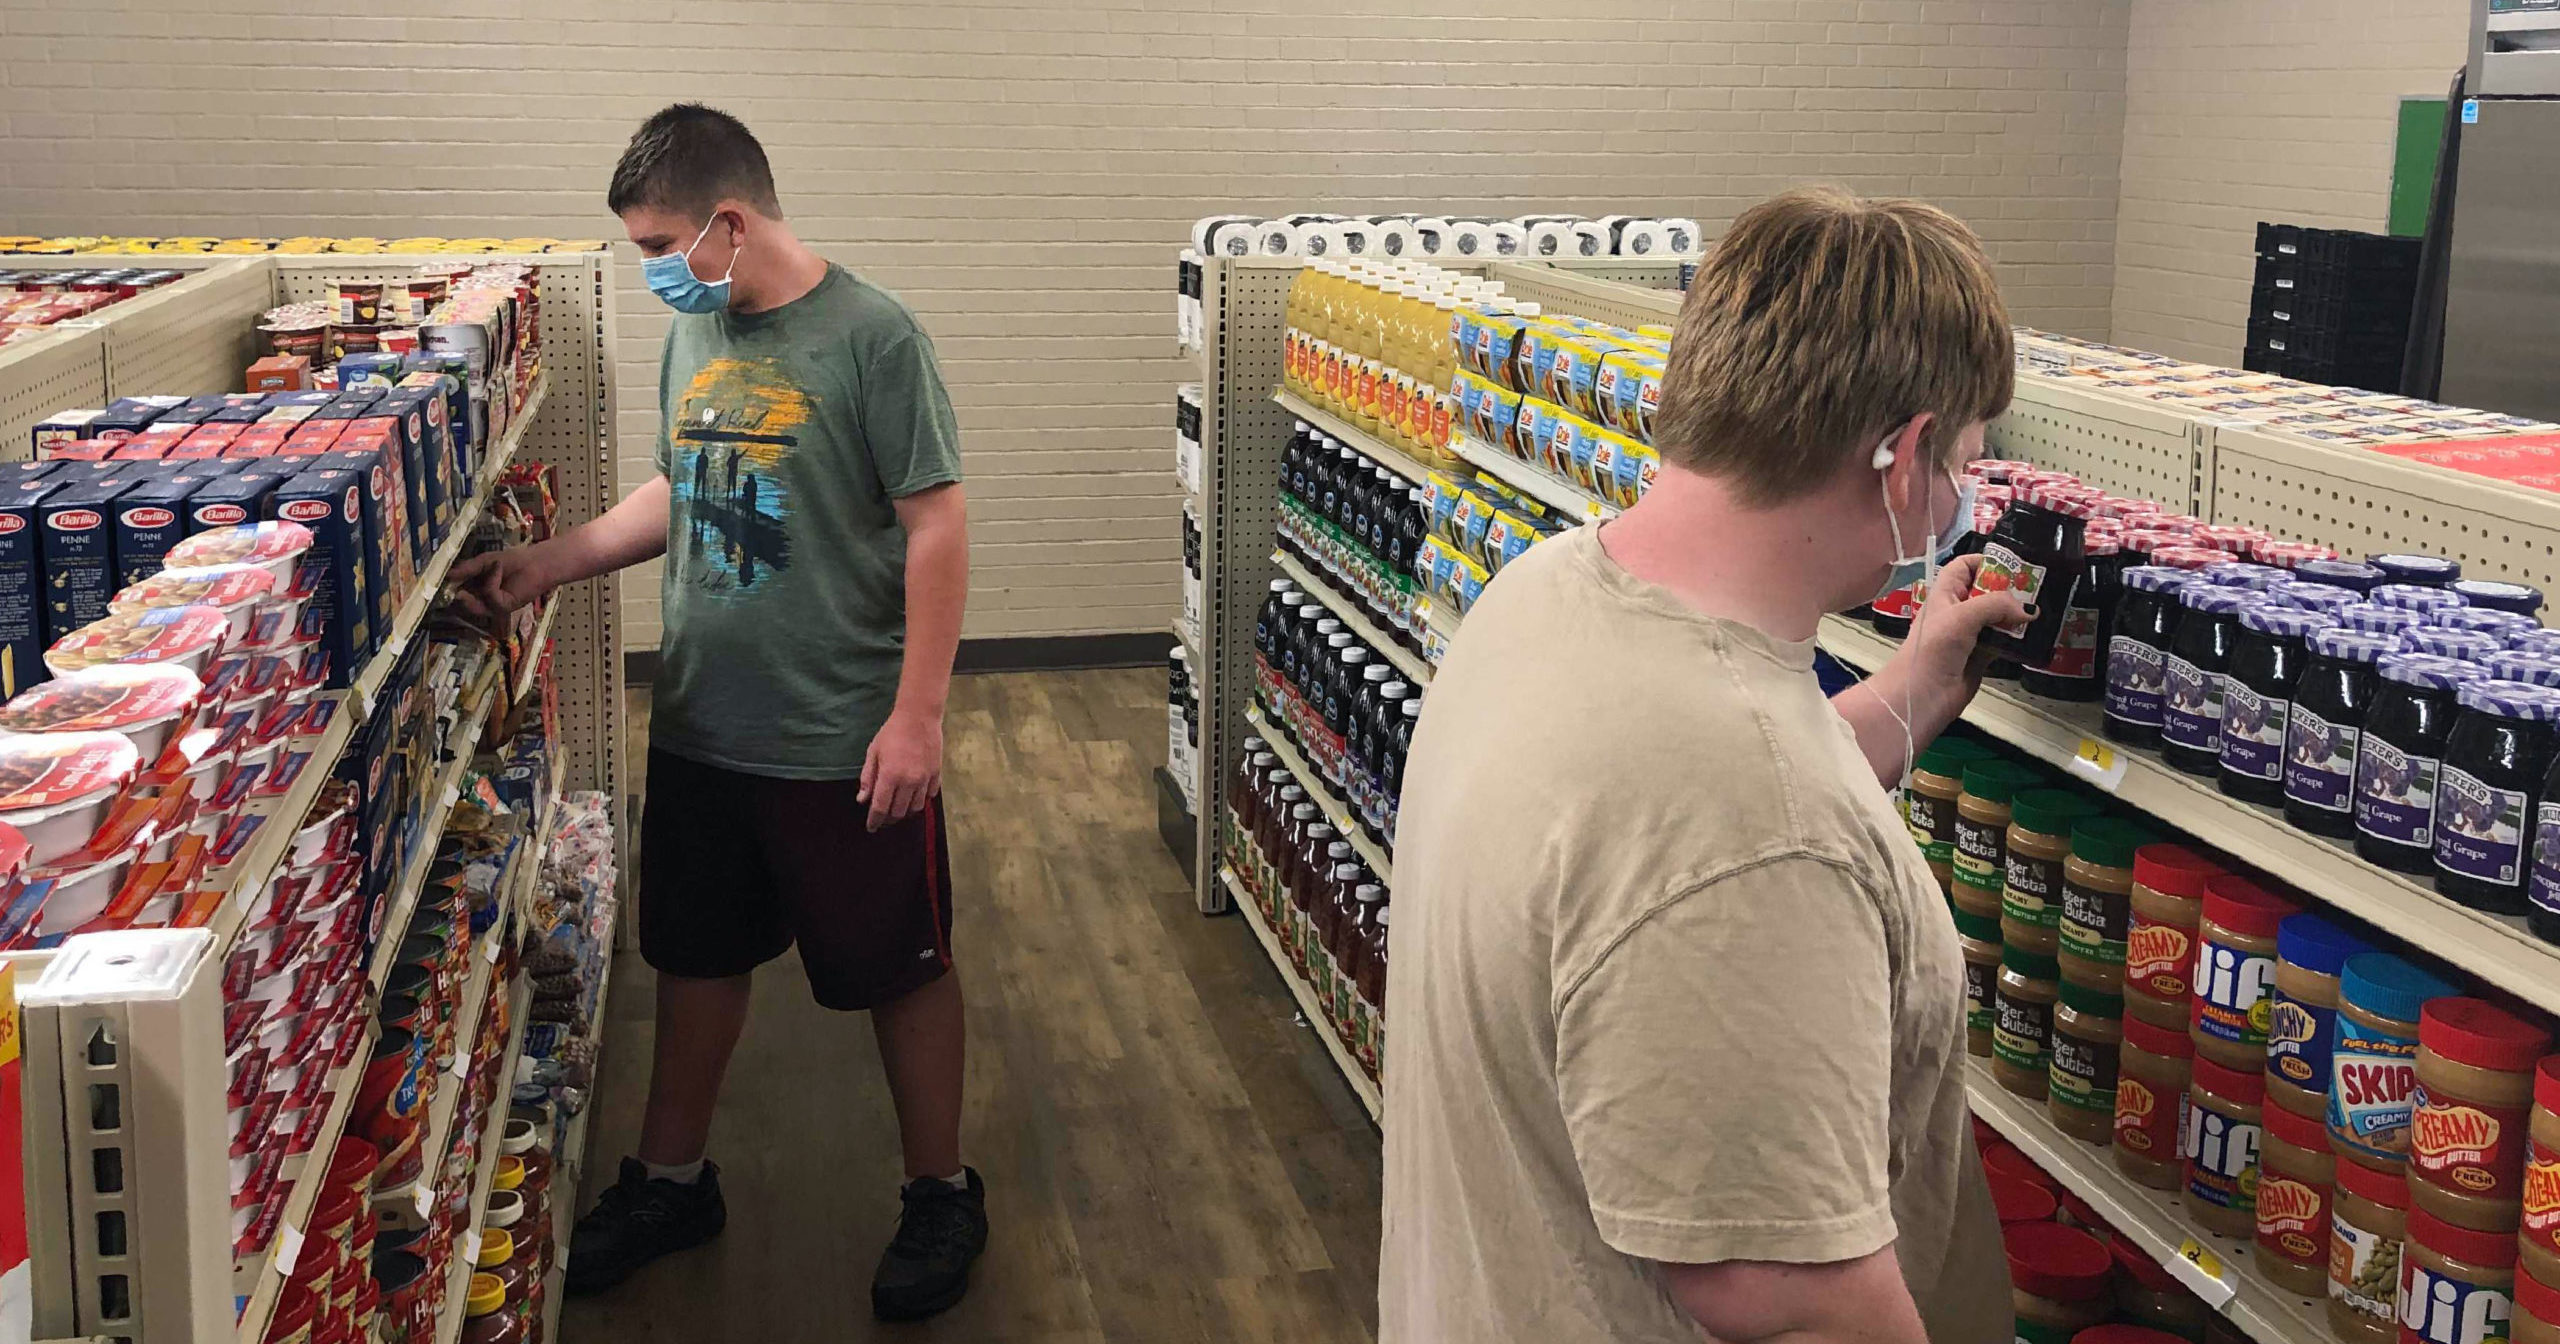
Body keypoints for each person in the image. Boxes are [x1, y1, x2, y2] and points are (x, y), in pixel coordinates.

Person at [1379, 186, 2032, 1343]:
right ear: (1905, 454)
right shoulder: (1741, 818)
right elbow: (1795, 1306)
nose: (1960, 501)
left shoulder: (1553, 589)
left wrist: (1917, 689)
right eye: (1965, 462)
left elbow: (1695, 809)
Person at [450, 103, 984, 1322]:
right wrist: (550, 559)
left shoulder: (873, 336)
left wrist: (919, 716)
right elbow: (681, 483)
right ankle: (672, 1180)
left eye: (659, 244)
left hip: (839, 737)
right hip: (701, 725)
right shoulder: (697, 340)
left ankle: (941, 1188)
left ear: (728, 225)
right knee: (696, 962)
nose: (651, 271)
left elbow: (936, 523)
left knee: (896, 970)